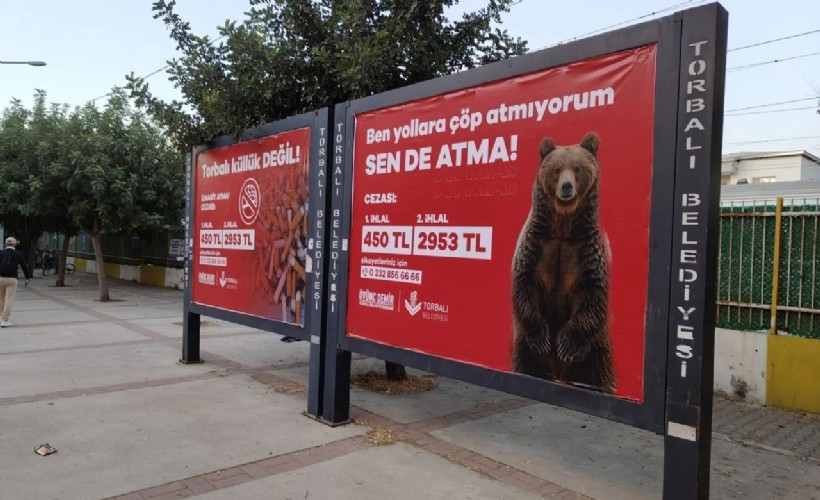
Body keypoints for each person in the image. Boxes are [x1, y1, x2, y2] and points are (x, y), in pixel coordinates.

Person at [0, 237, 32, 327]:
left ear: (5, 244)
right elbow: (24, 265)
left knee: (1, 299)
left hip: (1, 278)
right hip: (12, 279)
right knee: (9, 299)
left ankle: (1, 318)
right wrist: (28, 276)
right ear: (15, 244)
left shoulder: (1, 252)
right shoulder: (18, 254)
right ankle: (4, 320)